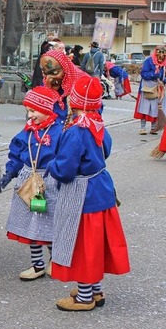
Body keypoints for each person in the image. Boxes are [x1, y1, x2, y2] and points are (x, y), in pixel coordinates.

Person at [47, 75, 130, 311]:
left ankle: (84, 298)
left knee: (82, 244)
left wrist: (52, 166)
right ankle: (95, 290)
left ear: (75, 102)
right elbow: (107, 150)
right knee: (94, 244)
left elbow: (64, 170)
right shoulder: (98, 123)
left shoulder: (76, 131)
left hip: (82, 193)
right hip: (101, 187)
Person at [0, 87, 63, 280]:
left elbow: (65, 157)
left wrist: (60, 175)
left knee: (49, 223)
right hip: (28, 181)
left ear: (47, 110)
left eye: (34, 111)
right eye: (28, 110)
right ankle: (37, 264)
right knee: (31, 224)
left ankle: (55, 260)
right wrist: (10, 172)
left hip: (50, 180)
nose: (30, 115)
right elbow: (17, 153)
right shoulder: (27, 131)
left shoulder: (59, 131)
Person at [39, 48, 89, 124]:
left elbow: (94, 109)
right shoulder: (45, 83)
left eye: (55, 72)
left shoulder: (83, 82)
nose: (50, 78)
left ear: (65, 68)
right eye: (45, 73)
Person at [134, 45, 166, 135]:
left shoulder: (164, 63)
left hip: (158, 88)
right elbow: (144, 73)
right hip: (147, 88)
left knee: (155, 108)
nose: (161, 58)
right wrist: (155, 75)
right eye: (160, 55)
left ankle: (153, 127)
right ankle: (142, 128)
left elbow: (164, 76)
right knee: (144, 107)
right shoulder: (149, 61)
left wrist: (163, 80)